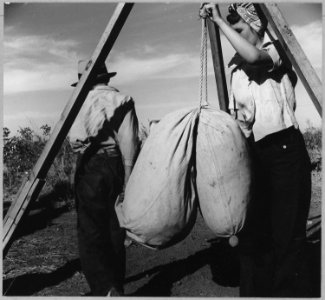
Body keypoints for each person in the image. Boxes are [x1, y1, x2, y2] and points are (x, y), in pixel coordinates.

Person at [200, 3, 311, 297]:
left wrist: (220, 22)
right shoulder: (236, 65)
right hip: (255, 154)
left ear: (256, 26)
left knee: (287, 235)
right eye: (232, 29)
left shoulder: (275, 49)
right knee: (254, 236)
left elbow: (256, 57)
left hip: (286, 150)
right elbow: (242, 117)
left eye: (239, 29)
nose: (234, 34)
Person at [69, 60, 140, 296]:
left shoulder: (78, 101)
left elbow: (74, 141)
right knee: (114, 227)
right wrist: (129, 179)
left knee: (90, 230)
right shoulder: (122, 100)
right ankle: (115, 285)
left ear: (83, 81)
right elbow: (129, 142)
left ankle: (105, 288)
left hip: (89, 166)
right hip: (114, 163)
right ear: (107, 78)